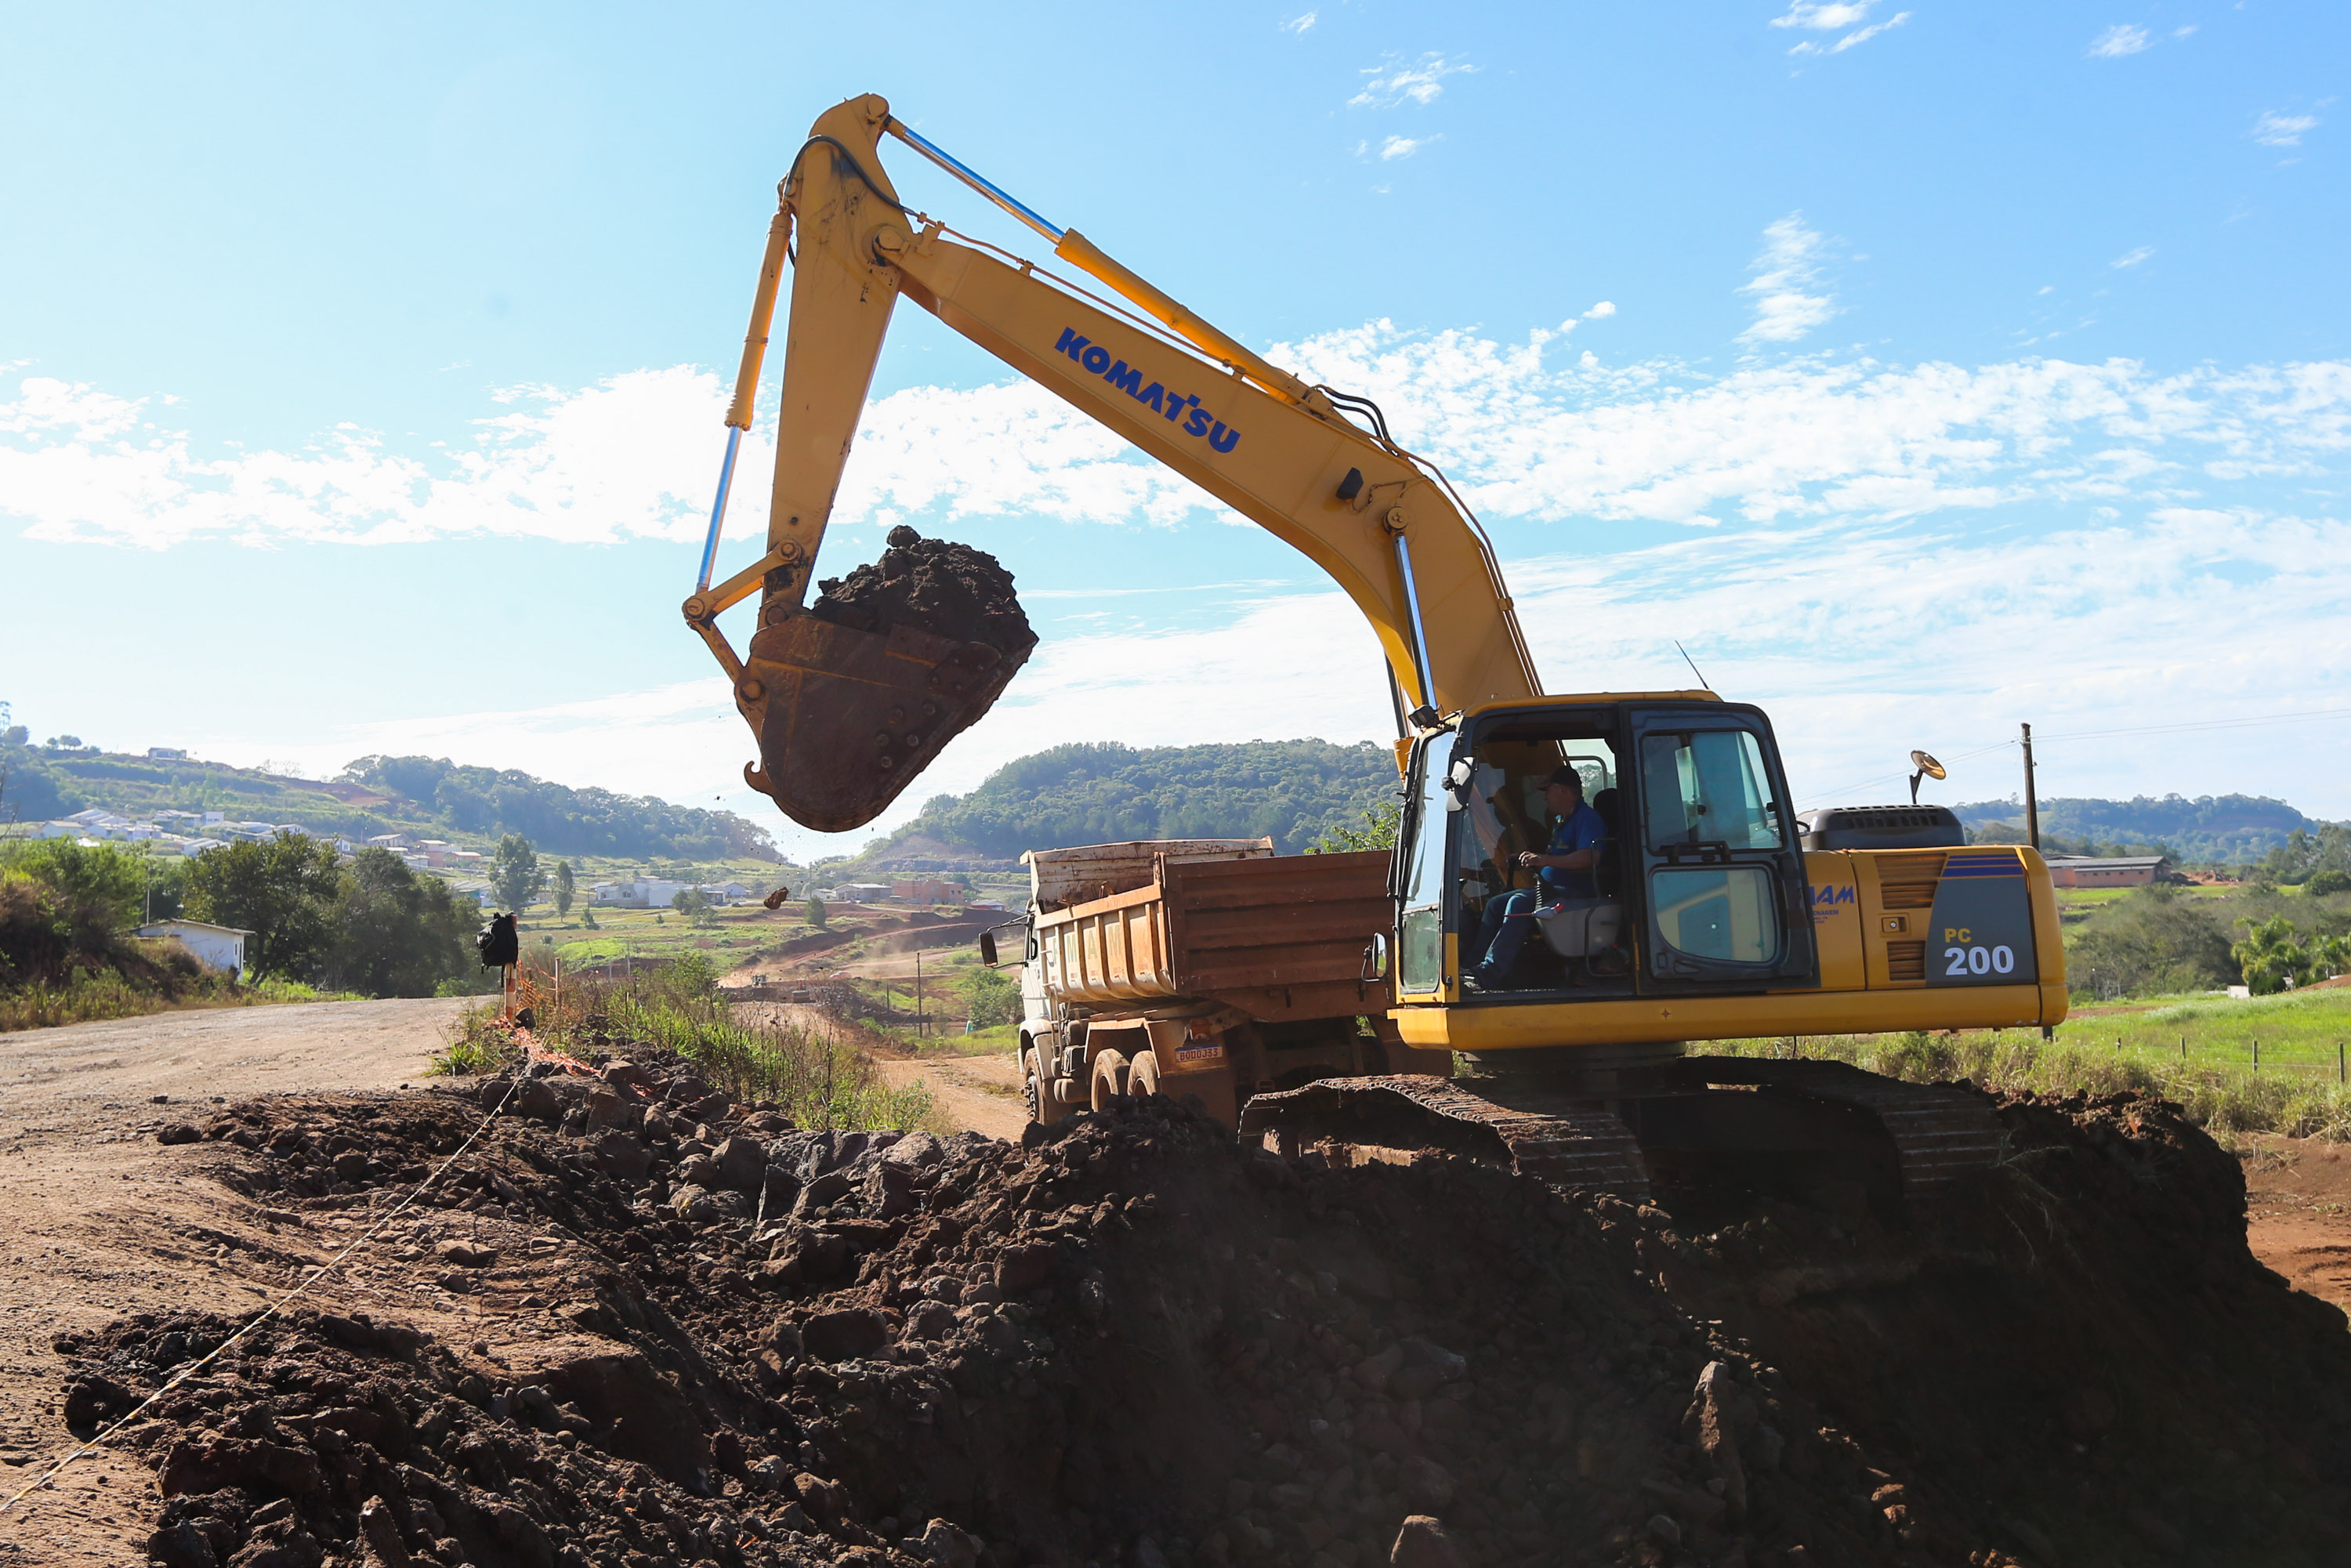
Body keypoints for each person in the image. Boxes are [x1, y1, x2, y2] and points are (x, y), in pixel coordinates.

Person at [1465, 766, 1609, 990]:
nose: (1545, 796)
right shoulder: (1562, 819)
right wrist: (1534, 859)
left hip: (1576, 892)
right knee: (1495, 904)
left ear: (1562, 791)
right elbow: (1559, 855)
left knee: (1518, 903)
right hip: (1553, 889)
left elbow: (1590, 858)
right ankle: (1471, 968)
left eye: (1548, 791)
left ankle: (1489, 974)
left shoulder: (1587, 818)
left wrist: (1544, 860)